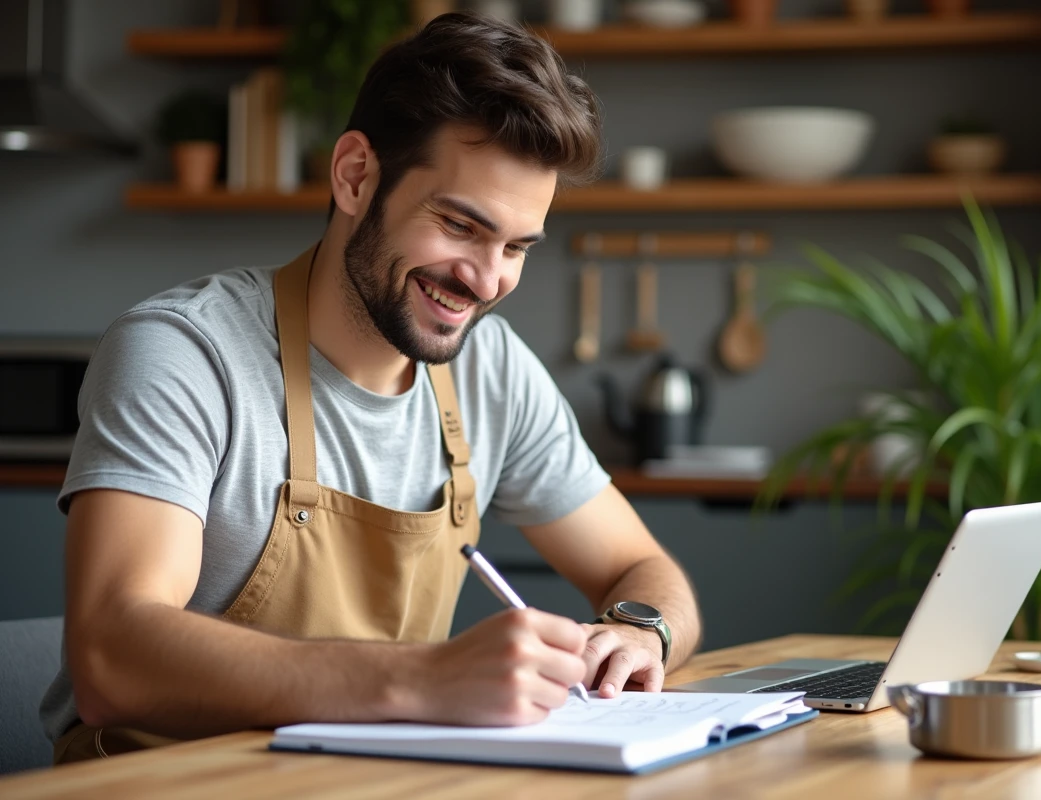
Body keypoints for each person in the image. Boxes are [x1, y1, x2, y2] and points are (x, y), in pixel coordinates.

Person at [42, 13, 700, 764]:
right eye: (460, 226)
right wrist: (425, 678)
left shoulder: (492, 370)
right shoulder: (186, 353)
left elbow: (642, 570)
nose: (487, 281)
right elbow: (112, 657)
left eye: (516, 247)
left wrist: (640, 630)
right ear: (355, 175)